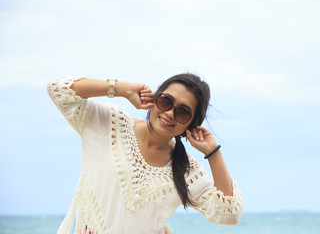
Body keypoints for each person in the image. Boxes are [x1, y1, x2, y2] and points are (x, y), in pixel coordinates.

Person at [47, 74, 242, 234]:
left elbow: (229, 214)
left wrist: (213, 154)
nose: (170, 114)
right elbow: (57, 89)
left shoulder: (186, 169)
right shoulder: (111, 124)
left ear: (191, 123)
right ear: (155, 98)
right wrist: (120, 88)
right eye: (166, 101)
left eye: (182, 112)